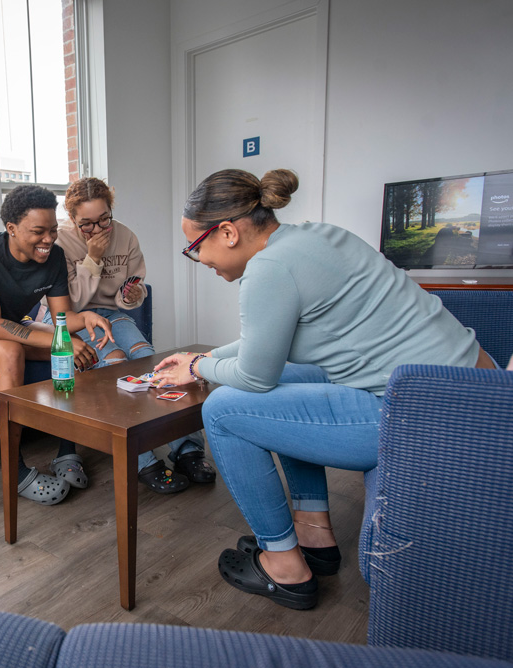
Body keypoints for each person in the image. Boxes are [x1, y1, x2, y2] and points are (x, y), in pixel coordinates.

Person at [153, 168, 495, 610]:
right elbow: (268, 339)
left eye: (195, 248)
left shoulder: (270, 269)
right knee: (295, 381)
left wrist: (202, 365)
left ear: (227, 232)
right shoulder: (314, 237)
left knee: (222, 411)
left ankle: (284, 566)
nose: (199, 260)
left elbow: (256, 376)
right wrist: (203, 360)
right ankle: (314, 536)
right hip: (465, 391)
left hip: (424, 417)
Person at [0, 184, 114, 506]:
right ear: (11, 228)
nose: (48, 239)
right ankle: (14, 469)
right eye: (38, 231)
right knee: (11, 352)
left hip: (13, 323)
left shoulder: (55, 256)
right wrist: (58, 340)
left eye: (52, 230)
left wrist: (87, 317)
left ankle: (67, 450)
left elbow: (62, 318)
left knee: (72, 345)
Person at [44, 176, 215, 494]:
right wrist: (93, 258)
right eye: (87, 224)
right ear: (72, 218)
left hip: (112, 313)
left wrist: (132, 296)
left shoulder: (126, 236)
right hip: (74, 318)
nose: (97, 230)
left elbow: (128, 296)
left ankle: (188, 449)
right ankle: (142, 460)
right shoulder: (61, 244)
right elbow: (72, 304)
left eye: (104, 219)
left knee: (150, 360)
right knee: (114, 363)